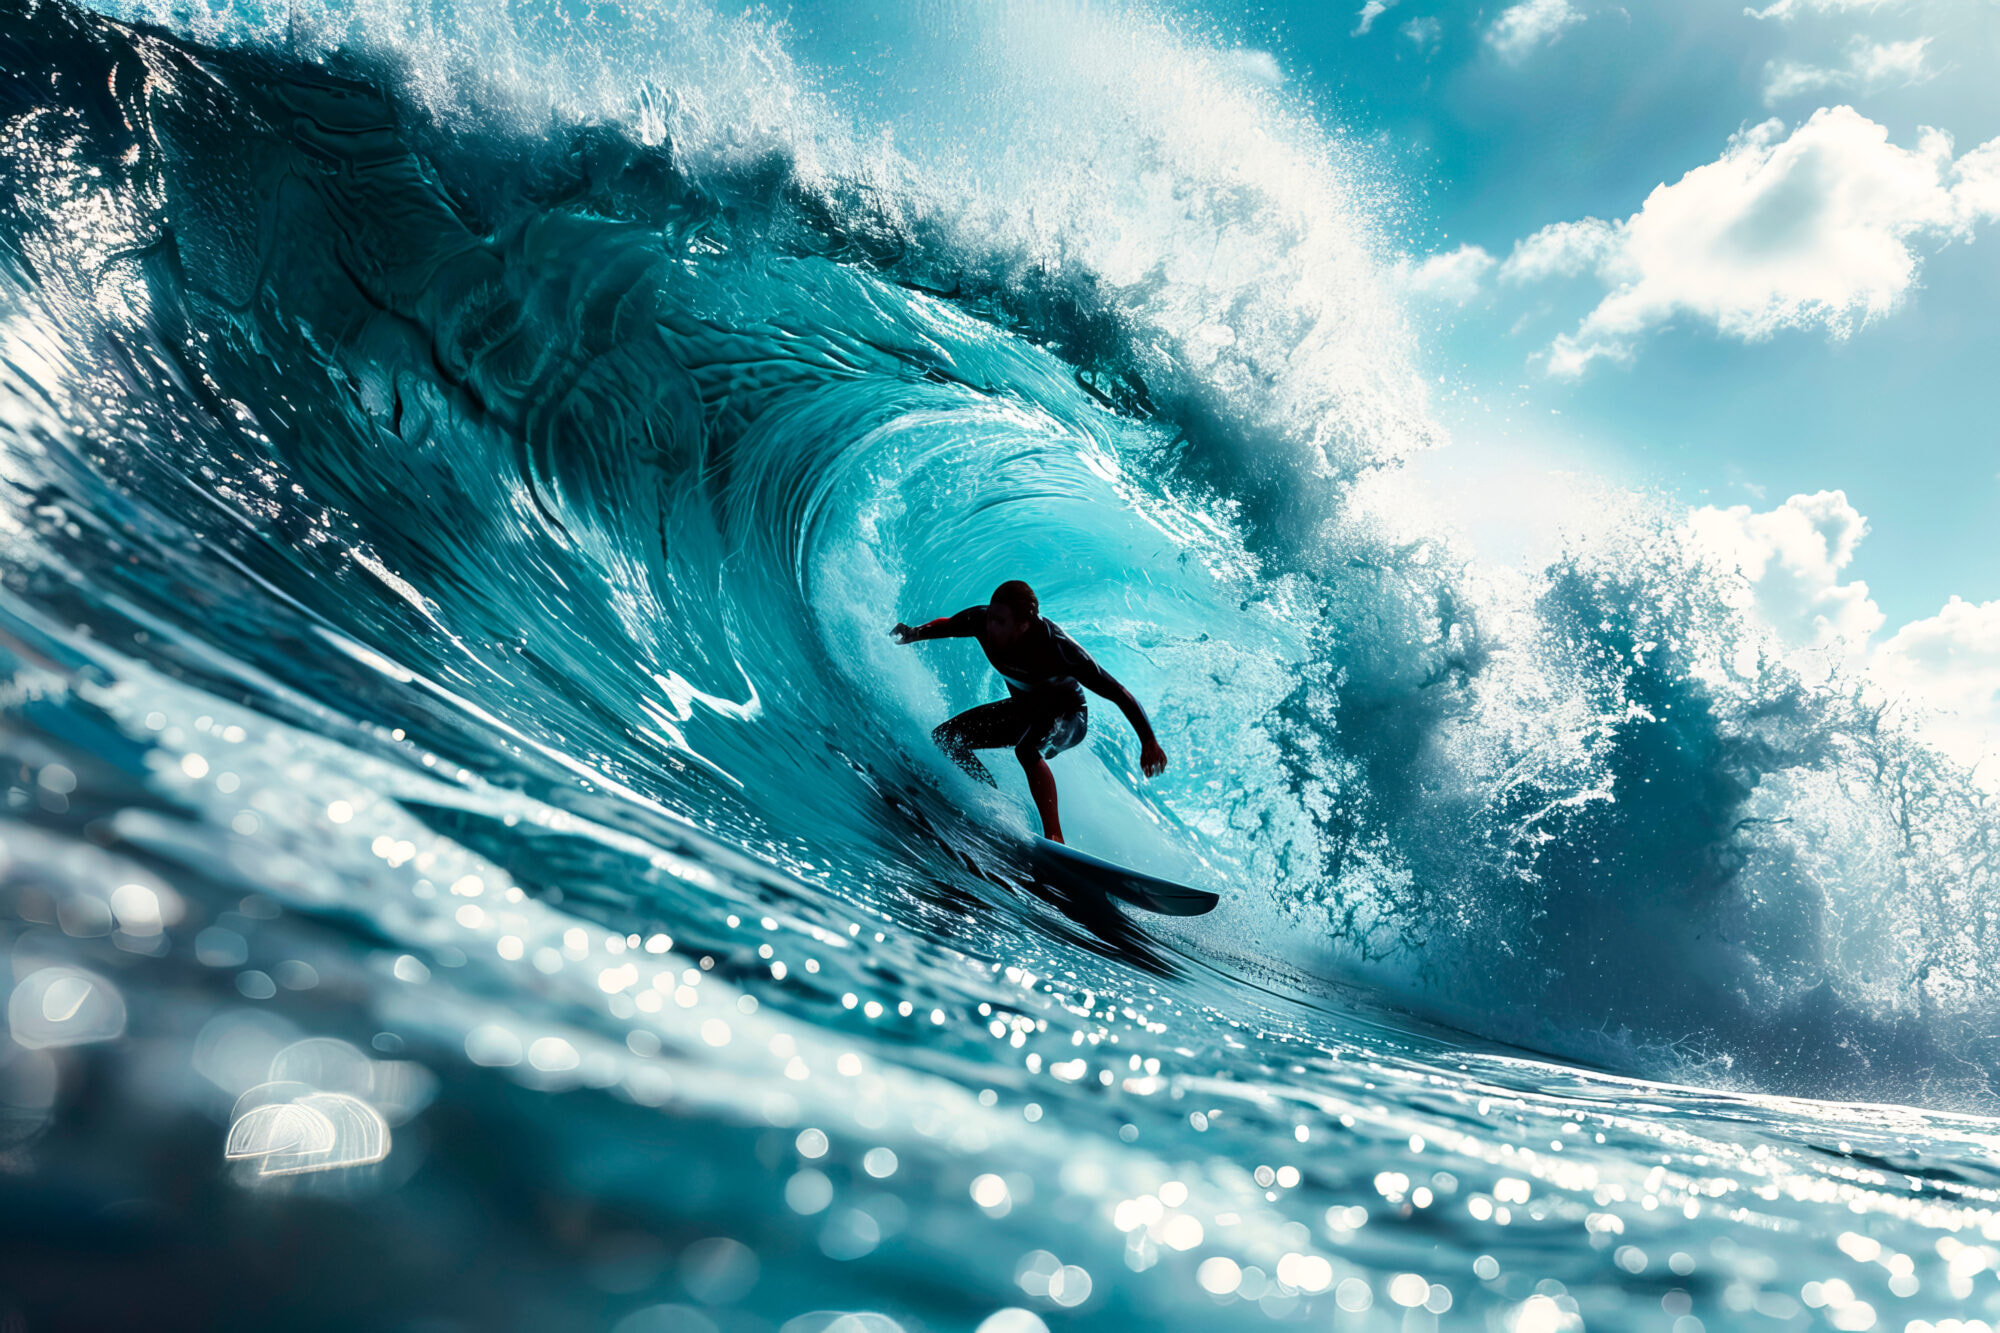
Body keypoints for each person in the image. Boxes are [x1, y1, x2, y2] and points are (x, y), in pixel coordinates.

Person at [891, 580, 1168, 845]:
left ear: (1023, 625)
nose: (990, 626)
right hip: (1027, 710)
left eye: (1000, 622)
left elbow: (1118, 692)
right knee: (948, 738)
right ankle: (988, 798)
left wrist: (1148, 741)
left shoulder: (1059, 649)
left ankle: (1055, 838)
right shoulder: (981, 622)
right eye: (991, 616)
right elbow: (949, 625)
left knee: (1026, 749)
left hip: (1069, 716)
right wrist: (915, 633)